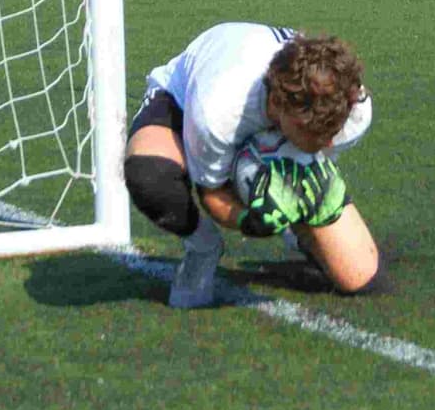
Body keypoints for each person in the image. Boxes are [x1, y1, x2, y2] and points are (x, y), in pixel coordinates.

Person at [123, 22, 381, 307]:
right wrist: (249, 222)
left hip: (272, 122)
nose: (331, 143)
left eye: (333, 129)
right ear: (279, 108)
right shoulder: (218, 111)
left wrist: (293, 207)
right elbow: (211, 193)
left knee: (358, 275)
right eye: (320, 134)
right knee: (151, 177)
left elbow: (322, 131)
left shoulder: (353, 110)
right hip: (181, 100)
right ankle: (202, 248)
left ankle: (294, 226)